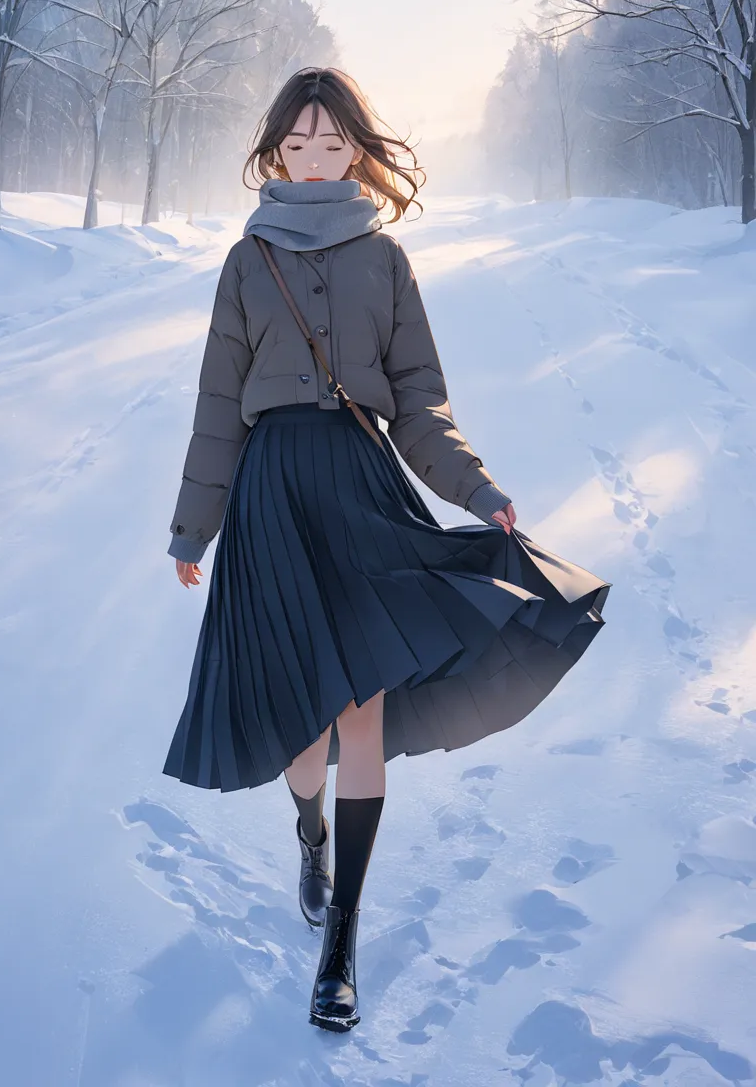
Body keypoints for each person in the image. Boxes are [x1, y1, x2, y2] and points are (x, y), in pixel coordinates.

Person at [162, 67, 610, 1032]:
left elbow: (420, 403)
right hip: (272, 500)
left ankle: (342, 944)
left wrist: (477, 491)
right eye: (299, 144)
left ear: (357, 148)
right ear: (275, 149)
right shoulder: (247, 262)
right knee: (301, 727)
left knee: (359, 713)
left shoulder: (386, 258)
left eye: (334, 144)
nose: (317, 161)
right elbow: (214, 409)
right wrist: (194, 526)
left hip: (364, 492)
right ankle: (309, 831)